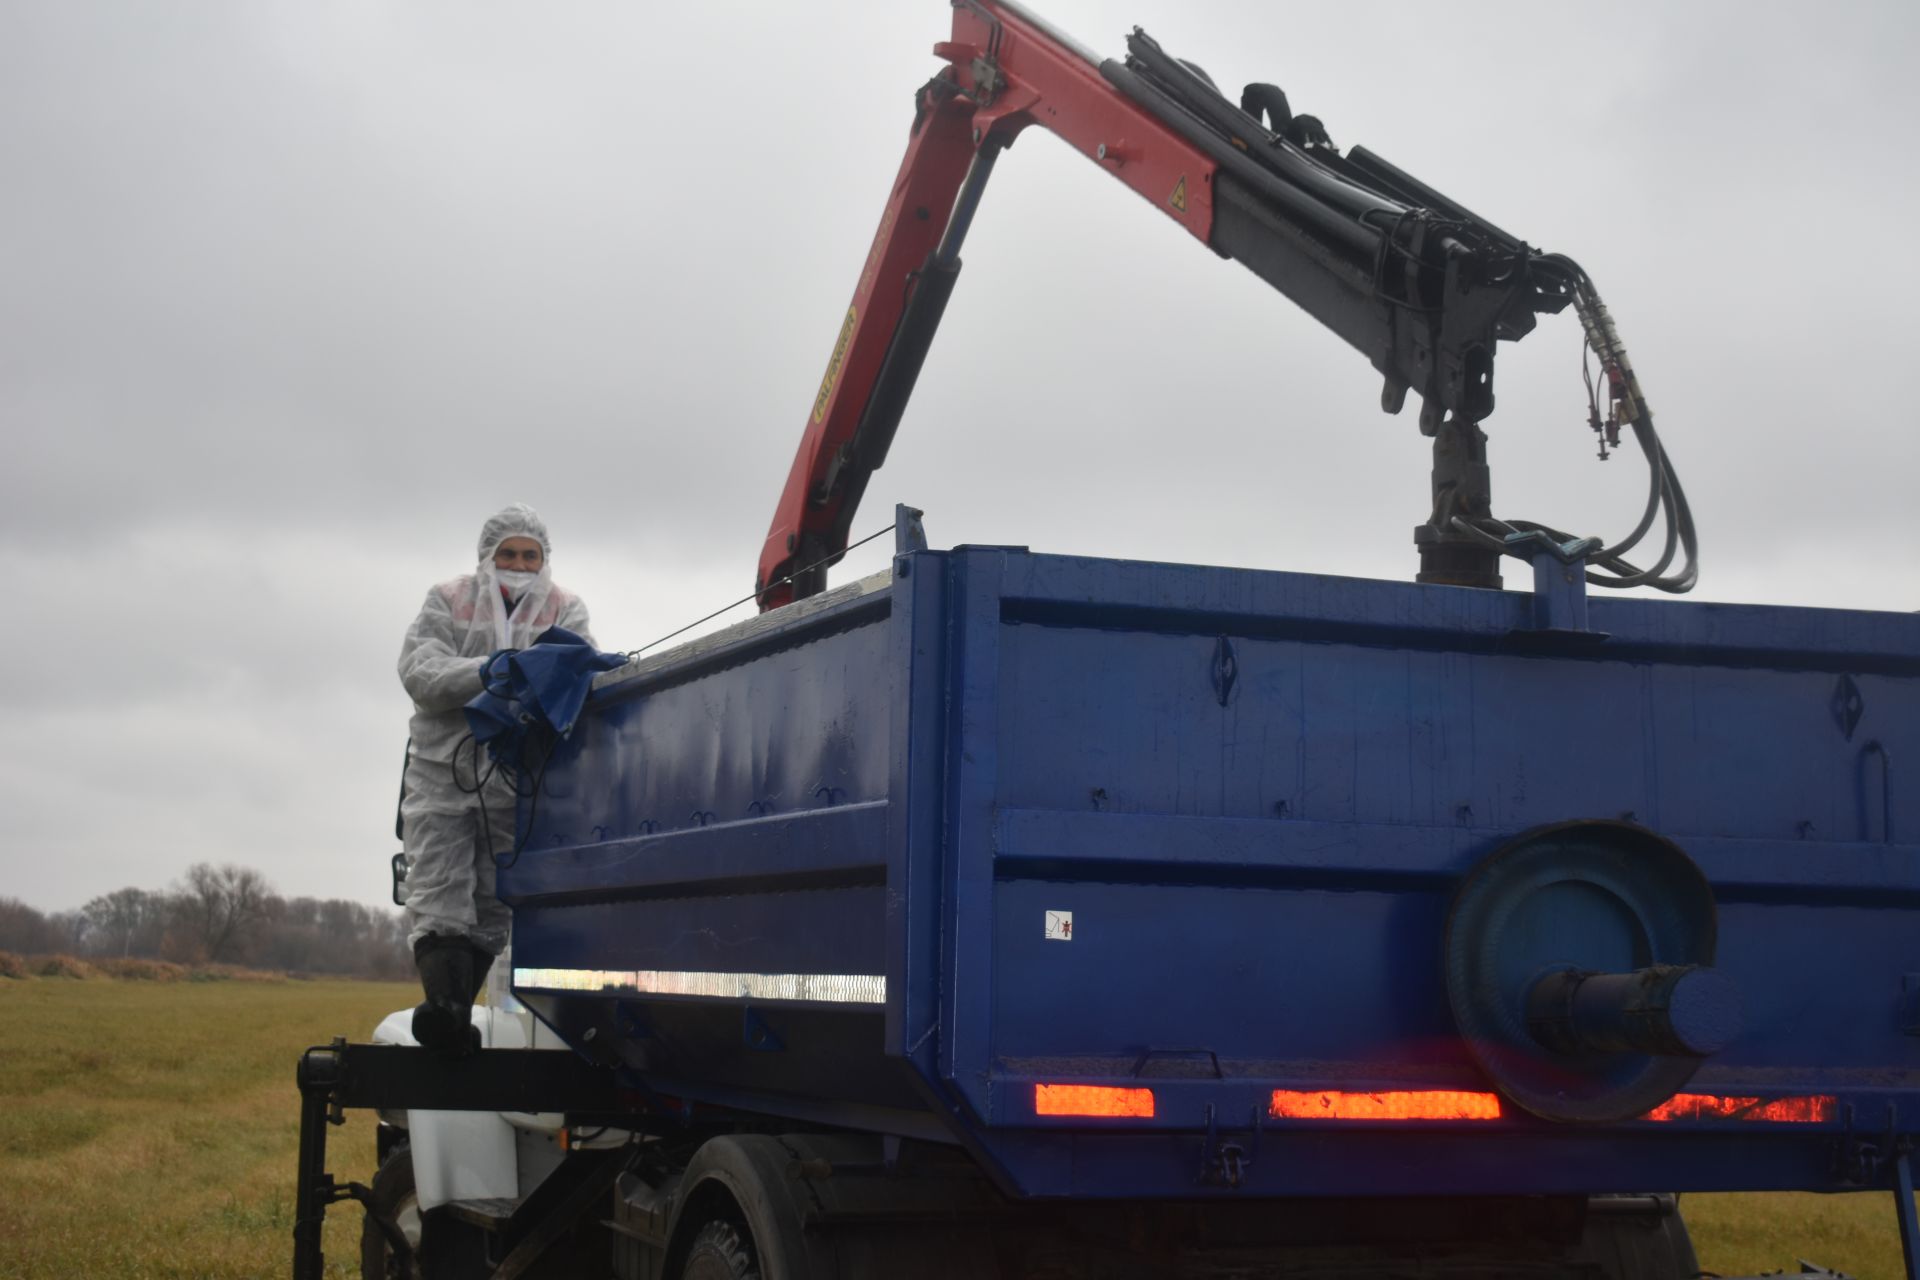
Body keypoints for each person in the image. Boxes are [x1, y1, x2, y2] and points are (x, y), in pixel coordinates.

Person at [396, 502, 594, 1054]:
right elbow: (419, 671)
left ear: (544, 559)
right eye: (507, 553)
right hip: (443, 768)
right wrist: (486, 672)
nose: (518, 563)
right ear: (486, 555)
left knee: (493, 898)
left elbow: (570, 676)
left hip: (517, 778)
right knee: (438, 886)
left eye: (529, 554)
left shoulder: (566, 608)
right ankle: (444, 1007)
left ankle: (453, 1016)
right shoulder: (448, 599)